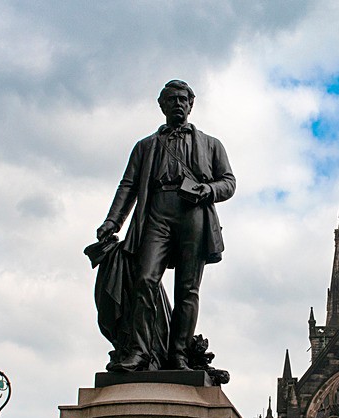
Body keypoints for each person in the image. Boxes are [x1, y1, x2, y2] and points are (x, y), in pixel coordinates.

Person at [95, 80, 236, 372]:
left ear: (191, 104)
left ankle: (179, 356)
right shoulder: (145, 146)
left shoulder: (211, 144)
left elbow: (228, 182)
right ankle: (139, 352)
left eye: (183, 99)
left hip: (193, 213)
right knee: (145, 280)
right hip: (156, 212)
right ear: (162, 106)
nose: (178, 104)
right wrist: (113, 220)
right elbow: (128, 185)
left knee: (188, 290)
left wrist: (206, 191)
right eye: (172, 100)